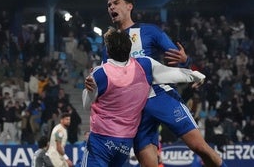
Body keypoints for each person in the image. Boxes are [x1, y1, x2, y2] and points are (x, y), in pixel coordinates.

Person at [85, 0, 227, 167]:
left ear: (129, 6)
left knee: (200, 147)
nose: (111, 7)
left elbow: (176, 57)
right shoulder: (108, 47)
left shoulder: (149, 31)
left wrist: (186, 63)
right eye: (109, 5)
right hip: (135, 110)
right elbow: (110, 80)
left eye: (116, 2)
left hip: (161, 97)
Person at [82, 28, 206, 167]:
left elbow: (86, 104)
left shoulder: (101, 73)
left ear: (108, 52)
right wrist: (195, 75)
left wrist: (89, 90)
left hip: (101, 140)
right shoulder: (144, 65)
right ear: (129, 48)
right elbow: (173, 73)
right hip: (124, 144)